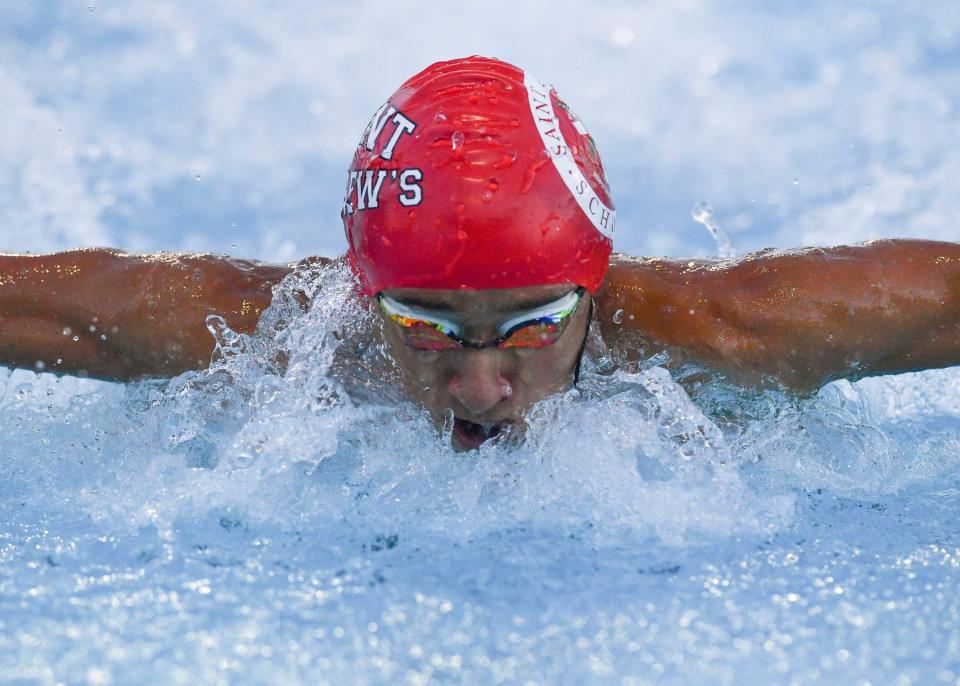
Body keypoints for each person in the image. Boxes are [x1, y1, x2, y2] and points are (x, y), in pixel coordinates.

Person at [2, 56, 959, 450]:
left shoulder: (727, 331)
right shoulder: (279, 338)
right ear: (364, 292)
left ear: (593, 286)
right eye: (424, 327)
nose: (478, 387)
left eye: (534, 325)